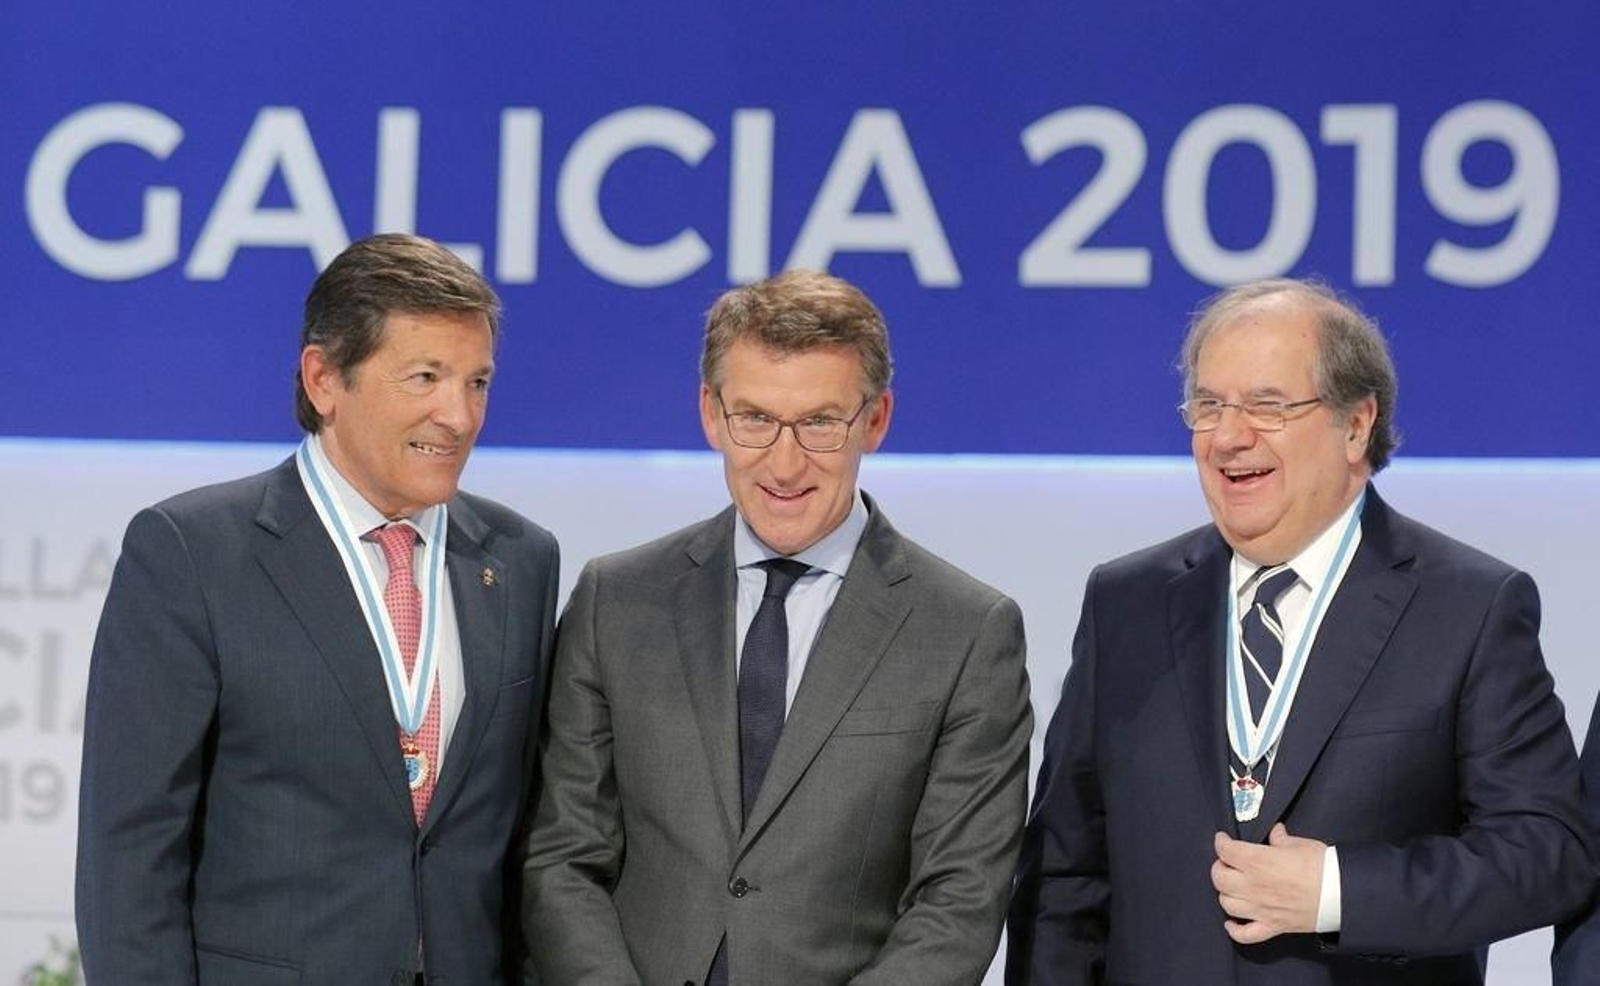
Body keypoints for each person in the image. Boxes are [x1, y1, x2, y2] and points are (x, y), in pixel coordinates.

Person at [1007, 278, 1595, 985]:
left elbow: (1546, 852)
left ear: (1356, 425)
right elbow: (1064, 879)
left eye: (1267, 405)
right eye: (1209, 405)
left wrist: (1339, 890)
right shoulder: (1124, 602)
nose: (1227, 436)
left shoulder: (1469, 607)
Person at [522, 269, 1031, 985]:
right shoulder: (617, 600)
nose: (784, 463)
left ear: (876, 421)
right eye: (755, 419)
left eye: (821, 422)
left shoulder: (967, 632)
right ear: (710, 413)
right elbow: (563, 858)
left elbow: (959, 902)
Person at [75, 233, 560, 984]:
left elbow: (527, 839)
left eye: (478, 382)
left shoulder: (520, 558)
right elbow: (130, 853)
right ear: (325, 379)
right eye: (425, 376)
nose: (459, 416)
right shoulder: (192, 552)